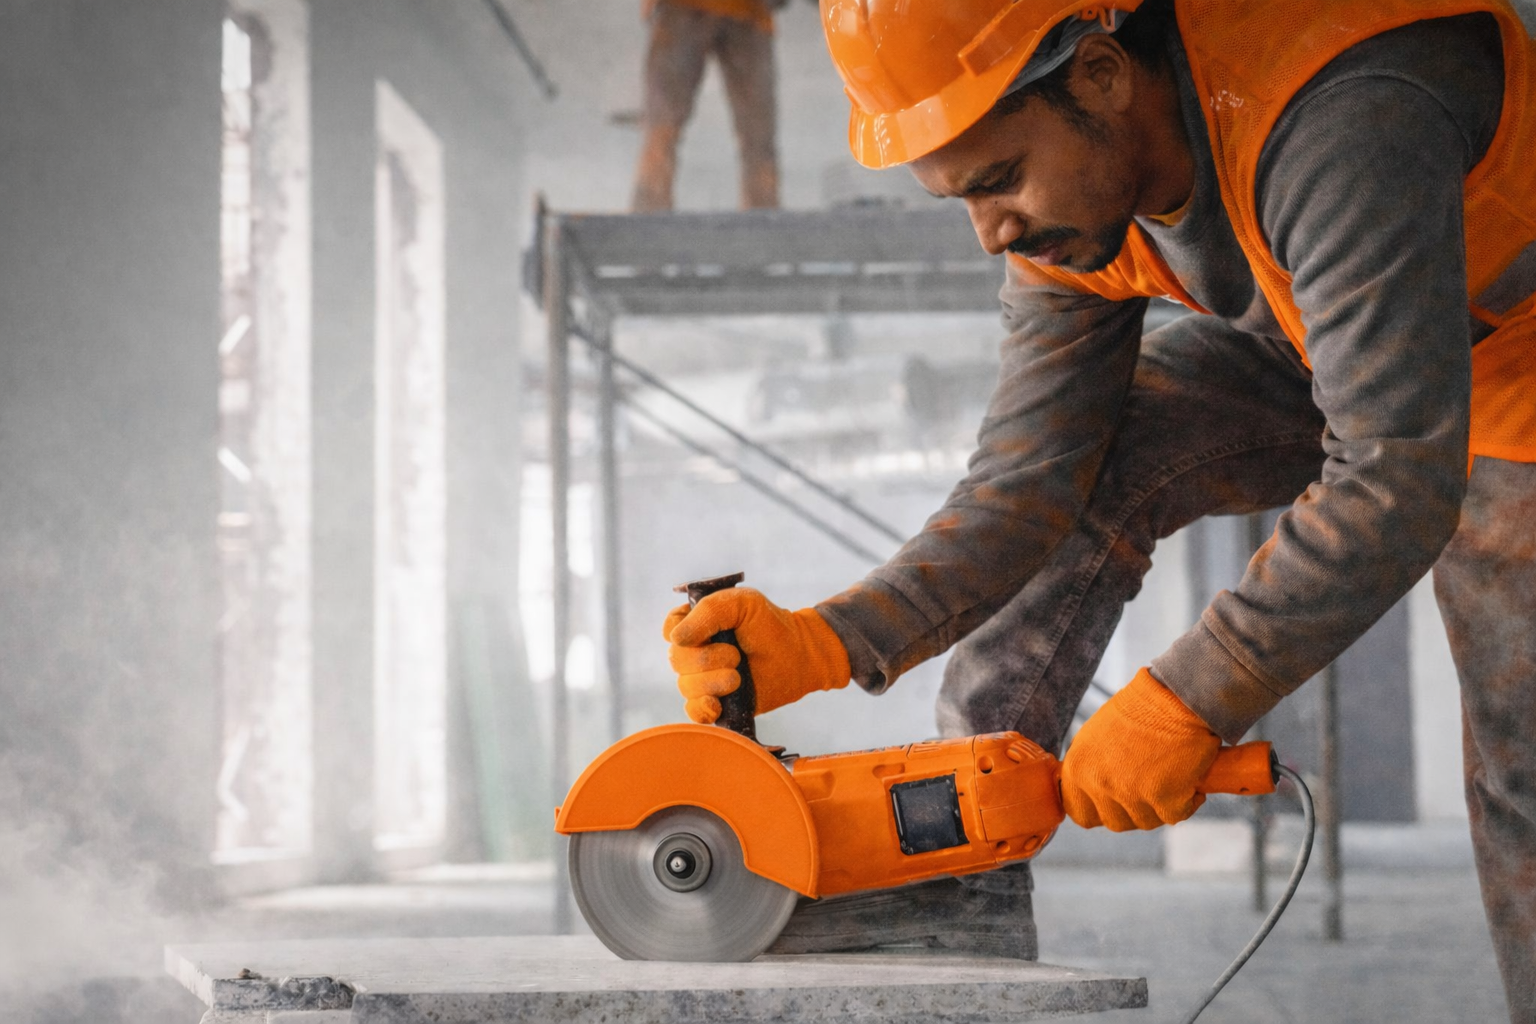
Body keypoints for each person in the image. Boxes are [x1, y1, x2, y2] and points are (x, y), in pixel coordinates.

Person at [663, 0, 1536, 1015]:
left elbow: (1395, 477)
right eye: (961, 196)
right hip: (1334, 341)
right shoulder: (1070, 203)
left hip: (1514, 364)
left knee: (1522, 763)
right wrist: (834, 637)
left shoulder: (1342, 114)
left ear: (1102, 74)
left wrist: (1191, 696)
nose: (991, 232)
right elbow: (1026, 483)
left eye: (999, 178)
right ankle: (957, 879)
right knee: (1095, 455)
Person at [631, 0, 781, 212]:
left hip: (747, 14)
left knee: (758, 138)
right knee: (661, 130)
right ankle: (647, 219)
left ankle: (764, 221)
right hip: (686, 10)